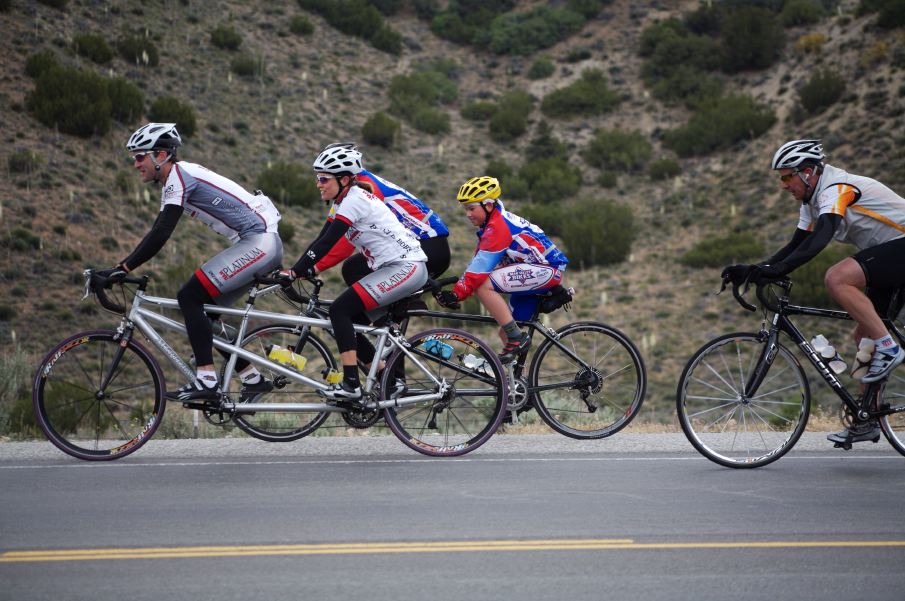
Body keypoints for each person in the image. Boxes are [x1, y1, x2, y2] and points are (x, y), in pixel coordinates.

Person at [722, 139, 905, 444]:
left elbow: (821, 238)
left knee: (837, 278)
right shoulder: (811, 202)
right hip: (889, 255)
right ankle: (867, 418)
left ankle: (889, 347)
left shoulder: (836, 188)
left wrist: (776, 271)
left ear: (808, 172)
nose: (783, 185)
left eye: (786, 176)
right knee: (863, 337)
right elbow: (796, 245)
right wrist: (754, 269)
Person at [97, 123, 283, 403]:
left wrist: (123, 268)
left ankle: (207, 380)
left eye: (139, 157)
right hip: (258, 243)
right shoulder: (178, 178)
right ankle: (252, 378)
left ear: (160, 155)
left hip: (259, 242)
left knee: (189, 296)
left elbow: (161, 231)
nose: (135, 165)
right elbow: (160, 229)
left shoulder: (179, 178)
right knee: (206, 313)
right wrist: (123, 266)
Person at [281, 144, 429, 401]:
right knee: (348, 325)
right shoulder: (343, 202)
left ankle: (352, 385)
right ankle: (388, 380)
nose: (319, 184)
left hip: (406, 267)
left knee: (340, 310)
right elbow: (320, 239)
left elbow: (328, 243)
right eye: (318, 178)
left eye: (324, 179)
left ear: (345, 179)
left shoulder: (354, 200)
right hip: (394, 268)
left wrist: (295, 272)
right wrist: (300, 269)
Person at [434, 176, 569, 363]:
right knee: (504, 331)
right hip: (536, 271)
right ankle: (518, 386)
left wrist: (458, 293)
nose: (468, 214)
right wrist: (461, 290)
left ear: (488, 205)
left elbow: (479, 270)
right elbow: (477, 265)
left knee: (484, 288)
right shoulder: (491, 225)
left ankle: (516, 338)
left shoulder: (499, 226)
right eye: (465, 209)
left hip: (546, 270)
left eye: (471, 208)